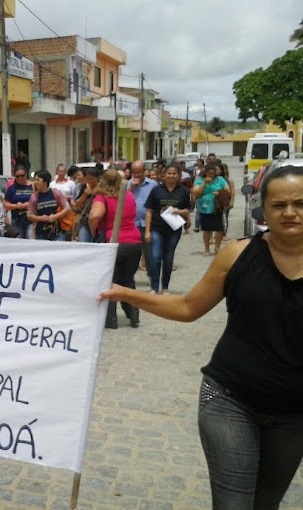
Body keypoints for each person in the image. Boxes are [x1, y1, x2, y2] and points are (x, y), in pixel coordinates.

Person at [100, 165, 303, 510]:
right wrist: (129, 294)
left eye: (299, 203)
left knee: (266, 503)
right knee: (233, 505)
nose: (289, 212)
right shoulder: (236, 254)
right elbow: (188, 307)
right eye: (278, 205)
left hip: (294, 411)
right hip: (230, 399)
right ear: (263, 209)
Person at [88, 169, 142, 329]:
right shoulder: (129, 195)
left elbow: (94, 216)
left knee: (110, 282)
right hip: (134, 241)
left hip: (114, 242)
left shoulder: (102, 198)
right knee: (128, 280)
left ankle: (111, 320)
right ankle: (134, 316)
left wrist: (94, 231)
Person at [144, 165, 191, 294]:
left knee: (168, 258)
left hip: (174, 230)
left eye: (174, 173)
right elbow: (149, 212)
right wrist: (147, 231)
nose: (171, 176)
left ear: (178, 176)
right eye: (169, 173)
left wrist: (179, 211)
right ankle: (154, 287)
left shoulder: (183, 191)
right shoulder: (156, 190)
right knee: (156, 256)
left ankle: (165, 287)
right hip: (156, 228)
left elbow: (188, 210)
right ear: (163, 175)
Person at [192, 164, 230, 256]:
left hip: (217, 208)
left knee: (219, 229)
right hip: (204, 208)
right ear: (205, 173)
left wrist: (219, 192)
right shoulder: (199, 180)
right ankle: (207, 248)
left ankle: (217, 247)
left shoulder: (220, 180)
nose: (211, 175)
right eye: (209, 173)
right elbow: (195, 193)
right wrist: (204, 183)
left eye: (213, 173)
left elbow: (228, 190)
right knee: (206, 229)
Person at [128, 160, 157, 280]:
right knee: (131, 253)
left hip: (148, 223)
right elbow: (121, 201)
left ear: (144, 171)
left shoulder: (153, 185)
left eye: (138, 172)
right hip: (131, 224)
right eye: (134, 172)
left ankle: (152, 276)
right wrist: (131, 188)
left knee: (150, 253)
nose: (136, 175)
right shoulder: (127, 184)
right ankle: (128, 277)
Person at [27, 170, 71, 241]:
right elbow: (29, 215)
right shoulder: (34, 197)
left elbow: (67, 208)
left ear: (45, 181)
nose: (35, 183)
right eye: (35, 180)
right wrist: (41, 218)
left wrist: (55, 216)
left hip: (57, 232)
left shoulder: (56, 193)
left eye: (38, 180)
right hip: (40, 233)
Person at [3, 166, 34, 239]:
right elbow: (5, 204)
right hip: (17, 220)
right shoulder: (12, 188)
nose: (20, 178)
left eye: (22, 176)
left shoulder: (33, 186)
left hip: (31, 220)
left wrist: (29, 205)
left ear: (26, 175)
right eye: (17, 176)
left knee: (30, 238)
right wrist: (16, 206)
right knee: (18, 240)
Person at [74, 167, 100, 242]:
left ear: (97, 178)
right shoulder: (84, 187)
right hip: (85, 221)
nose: (90, 181)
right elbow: (77, 204)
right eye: (88, 179)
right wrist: (85, 194)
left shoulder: (101, 188)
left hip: (97, 223)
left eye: (92, 179)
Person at [216, 163, 235, 240]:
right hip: (216, 202)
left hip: (226, 201)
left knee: (224, 217)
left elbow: (232, 191)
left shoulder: (228, 179)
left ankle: (224, 234)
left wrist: (232, 201)